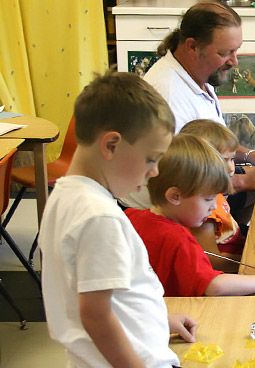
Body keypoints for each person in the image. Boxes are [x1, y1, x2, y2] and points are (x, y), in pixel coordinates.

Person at [40, 71, 197, 367]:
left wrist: (159, 320)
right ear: (111, 145)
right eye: (151, 158)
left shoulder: (64, 196)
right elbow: (96, 316)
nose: (154, 172)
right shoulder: (99, 217)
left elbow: (109, 297)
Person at [133, 1, 255, 220]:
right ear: (192, 46)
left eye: (236, 50)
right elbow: (177, 180)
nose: (235, 61)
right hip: (171, 208)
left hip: (205, 187)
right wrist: (244, 181)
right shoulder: (167, 95)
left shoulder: (200, 71)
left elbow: (210, 144)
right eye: (225, 52)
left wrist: (249, 155)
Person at [125, 134, 255, 297]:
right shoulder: (177, 238)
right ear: (175, 196)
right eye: (208, 198)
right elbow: (213, 285)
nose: (213, 207)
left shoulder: (131, 217)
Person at [179, 119, 247, 272]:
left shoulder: (215, 192)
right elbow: (211, 260)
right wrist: (248, 262)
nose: (231, 168)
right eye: (224, 161)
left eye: (232, 159)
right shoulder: (203, 210)